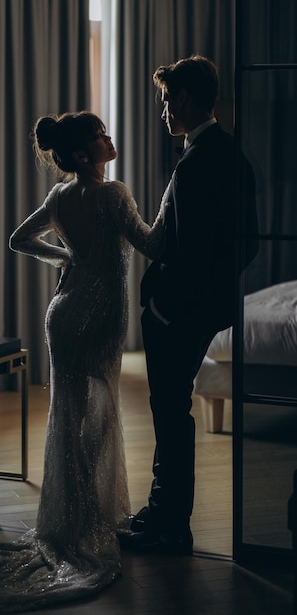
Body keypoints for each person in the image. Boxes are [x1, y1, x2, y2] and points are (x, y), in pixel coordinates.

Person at [0, 111, 165, 612]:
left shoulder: (60, 196)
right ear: (84, 153)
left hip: (63, 312)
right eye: (101, 135)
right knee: (98, 416)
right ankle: (90, 518)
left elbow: (21, 239)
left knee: (69, 414)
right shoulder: (113, 194)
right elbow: (152, 243)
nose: (109, 138)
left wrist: (66, 259)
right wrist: (171, 202)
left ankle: (70, 518)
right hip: (101, 315)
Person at [120, 55, 257, 555]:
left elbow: (191, 249)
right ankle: (164, 512)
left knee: (170, 415)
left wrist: (165, 308)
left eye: (165, 99)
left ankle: (170, 523)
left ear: (185, 99)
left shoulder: (197, 163)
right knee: (173, 413)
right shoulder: (233, 156)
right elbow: (250, 243)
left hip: (176, 315)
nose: (162, 110)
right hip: (200, 311)